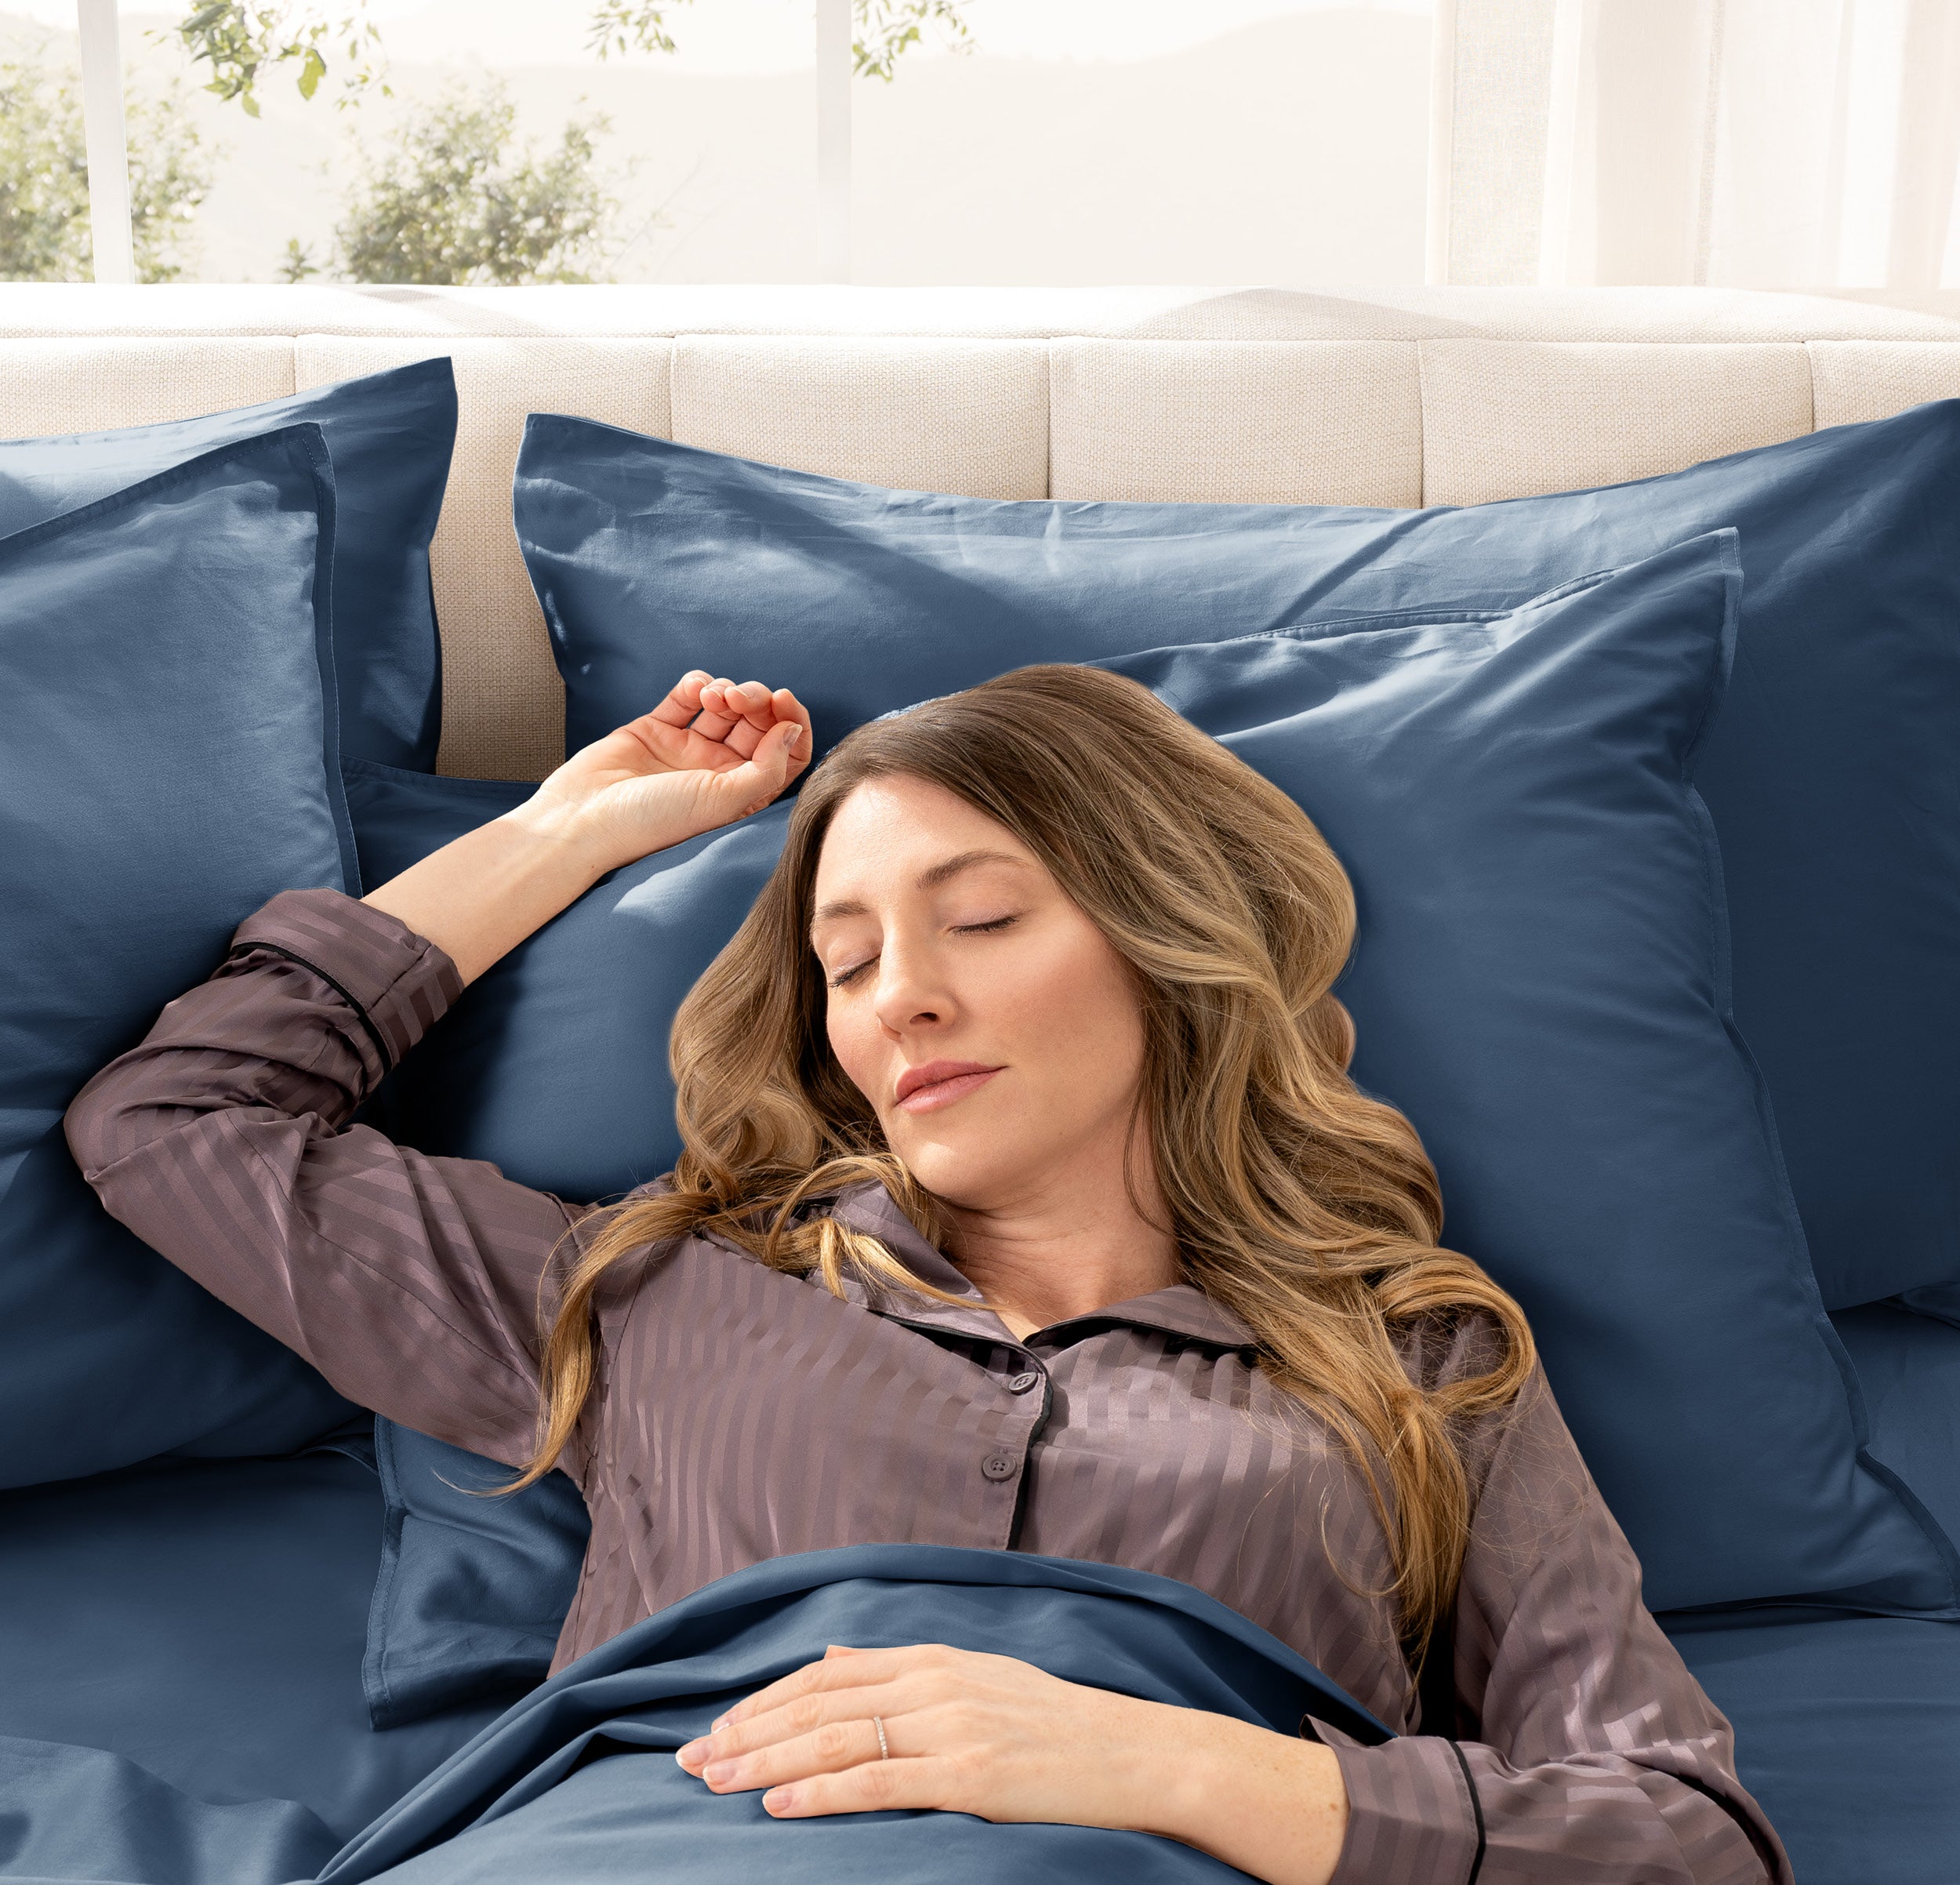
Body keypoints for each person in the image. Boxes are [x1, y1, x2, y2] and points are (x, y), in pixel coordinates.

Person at [65, 664, 1791, 1885]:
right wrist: (575, 823)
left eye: (979, 919)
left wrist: (1181, 1765)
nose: (898, 995)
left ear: (1162, 938)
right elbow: (177, 1120)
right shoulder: (660, 1287)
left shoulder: (1404, 1355)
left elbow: (1676, 1826)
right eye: (845, 955)